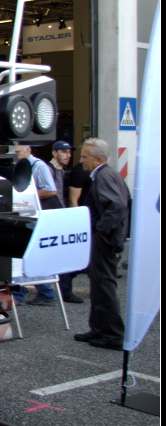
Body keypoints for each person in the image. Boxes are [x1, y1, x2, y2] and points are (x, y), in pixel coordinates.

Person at [73, 138, 129, 350]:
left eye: (85, 157)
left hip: (104, 241)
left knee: (104, 287)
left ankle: (113, 335)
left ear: (98, 159)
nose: (81, 161)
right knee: (98, 286)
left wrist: (103, 231)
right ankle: (98, 328)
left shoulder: (104, 176)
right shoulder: (109, 174)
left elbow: (118, 206)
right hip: (105, 239)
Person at [12, 145, 60, 305]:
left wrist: (25, 193)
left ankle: (35, 292)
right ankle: (40, 292)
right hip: (26, 215)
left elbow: (51, 190)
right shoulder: (20, 165)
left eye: (18, 152)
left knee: (27, 253)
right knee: (24, 253)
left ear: (28, 150)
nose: (15, 156)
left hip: (36, 216)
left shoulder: (38, 166)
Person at [49, 140, 84, 303]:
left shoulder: (61, 171)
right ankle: (63, 292)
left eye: (69, 152)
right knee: (60, 256)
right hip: (53, 217)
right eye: (64, 152)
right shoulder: (48, 169)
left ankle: (58, 291)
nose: (68, 155)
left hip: (60, 216)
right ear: (54, 153)